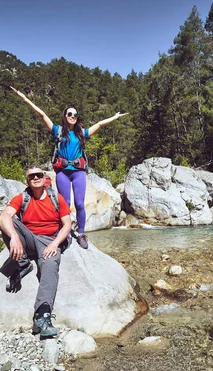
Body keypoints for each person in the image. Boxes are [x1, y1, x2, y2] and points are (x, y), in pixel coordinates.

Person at [11, 86, 128, 249]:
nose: (72, 116)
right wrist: (25, 98)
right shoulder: (57, 131)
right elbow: (42, 114)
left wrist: (115, 117)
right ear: (65, 117)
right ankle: (63, 232)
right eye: (69, 114)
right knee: (64, 203)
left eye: (75, 114)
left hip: (78, 173)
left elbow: (100, 124)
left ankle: (81, 233)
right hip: (62, 173)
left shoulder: (82, 133)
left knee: (79, 203)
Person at [0, 166, 72, 338]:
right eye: (32, 176)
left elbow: (67, 224)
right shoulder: (22, 197)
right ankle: (22, 264)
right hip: (29, 238)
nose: (36, 178)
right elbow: (3, 216)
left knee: (49, 268)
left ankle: (42, 316)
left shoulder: (56, 198)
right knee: (7, 222)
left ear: (44, 178)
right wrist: (14, 237)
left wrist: (55, 244)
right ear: (28, 180)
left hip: (49, 240)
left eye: (39, 175)